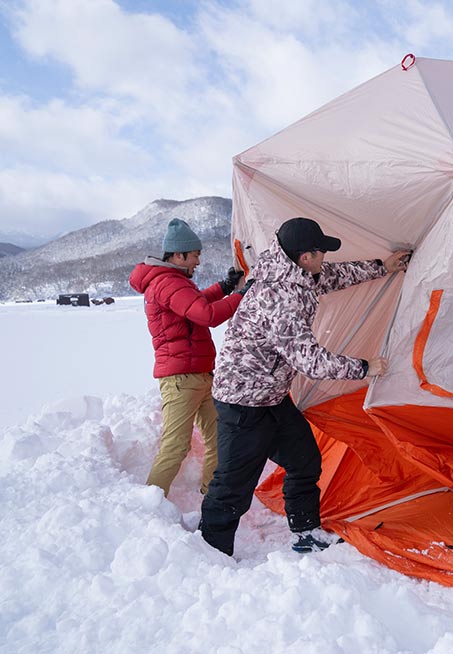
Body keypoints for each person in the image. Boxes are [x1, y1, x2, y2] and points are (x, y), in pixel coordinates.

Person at [199, 217, 411, 557]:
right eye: (320, 251)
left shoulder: (294, 274)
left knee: (305, 460)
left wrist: (381, 267)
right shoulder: (280, 299)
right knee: (233, 484)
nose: (324, 257)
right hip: (242, 402)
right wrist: (364, 367)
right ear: (305, 257)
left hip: (270, 396)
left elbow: (332, 276)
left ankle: (306, 532)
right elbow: (310, 361)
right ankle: (209, 553)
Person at [130, 218, 245, 497]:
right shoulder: (168, 283)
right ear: (179, 255)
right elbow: (207, 315)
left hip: (198, 375)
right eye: (195, 255)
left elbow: (194, 305)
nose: (198, 261)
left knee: (220, 437)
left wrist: (224, 287)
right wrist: (243, 294)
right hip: (182, 379)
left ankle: (211, 496)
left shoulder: (173, 282)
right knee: (176, 445)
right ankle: (146, 505)